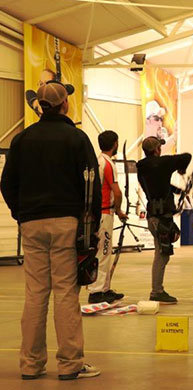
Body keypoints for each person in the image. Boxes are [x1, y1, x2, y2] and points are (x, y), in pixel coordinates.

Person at [1, 80, 101, 380]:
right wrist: (91, 227)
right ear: (64, 104)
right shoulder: (76, 138)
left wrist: (21, 213)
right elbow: (91, 185)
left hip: (31, 223)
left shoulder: (22, 139)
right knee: (66, 293)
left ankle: (30, 365)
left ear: (40, 106)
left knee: (35, 293)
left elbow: (7, 184)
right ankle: (70, 364)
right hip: (66, 224)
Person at [136, 136, 191, 304]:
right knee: (161, 255)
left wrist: (177, 190)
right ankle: (156, 291)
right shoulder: (163, 163)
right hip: (161, 218)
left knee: (161, 253)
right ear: (156, 150)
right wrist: (181, 169)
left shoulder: (142, 167)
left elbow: (159, 185)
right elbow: (187, 156)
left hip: (154, 214)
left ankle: (157, 289)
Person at [87, 130, 128, 304]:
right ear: (115, 144)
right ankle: (96, 291)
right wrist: (119, 210)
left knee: (104, 251)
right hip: (105, 213)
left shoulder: (97, 161)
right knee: (103, 252)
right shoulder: (108, 164)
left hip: (98, 213)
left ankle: (104, 288)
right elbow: (116, 192)